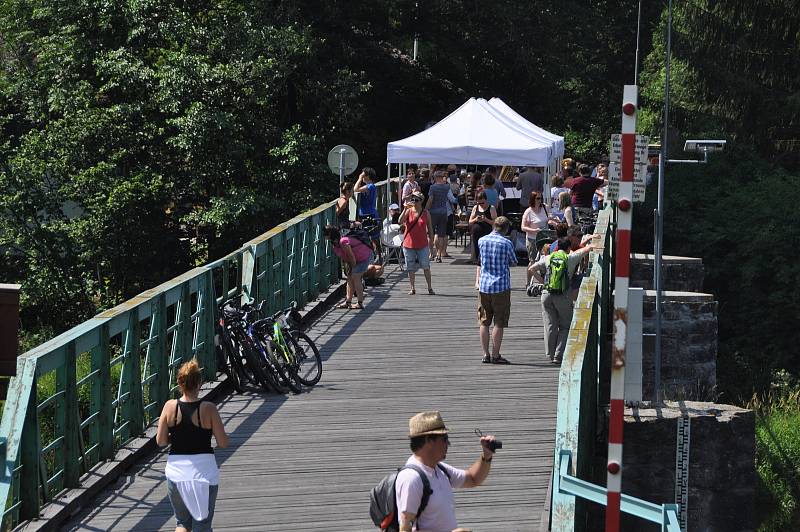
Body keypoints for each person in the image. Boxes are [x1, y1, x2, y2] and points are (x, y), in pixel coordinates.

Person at [157, 358, 229, 532]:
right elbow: (223, 443)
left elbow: (160, 441)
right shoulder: (209, 408)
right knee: (202, 525)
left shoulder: (170, 407)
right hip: (204, 474)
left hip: (177, 473)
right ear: (199, 383)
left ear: (180, 383)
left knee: (182, 523)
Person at [396, 411, 499, 532]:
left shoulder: (440, 469)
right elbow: (404, 530)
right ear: (429, 440)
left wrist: (486, 455)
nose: (449, 444)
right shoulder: (411, 478)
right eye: (444, 439)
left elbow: (473, 479)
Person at [529, 237, 595, 363]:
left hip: (546, 294)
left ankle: (550, 354)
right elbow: (586, 249)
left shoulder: (548, 258)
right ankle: (558, 356)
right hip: (562, 295)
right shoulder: (570, 258)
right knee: (566, 325)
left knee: (550, 325)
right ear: (569, 248)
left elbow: (531, 269)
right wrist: (592, 242)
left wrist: (544, 282)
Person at [477, 216, 517, 364]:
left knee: (484, 321)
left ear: (494, 226)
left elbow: (481, 261)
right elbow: (513, 262)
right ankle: (495, 354)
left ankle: (485, 354)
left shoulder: (482, 241)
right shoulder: (507, 243)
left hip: (484, 285)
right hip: (501, 286)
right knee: (499, 322)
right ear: (506, 229)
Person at [324, 225, 372, 309]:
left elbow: (351, 257)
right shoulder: (335, 244)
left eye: (325, 234)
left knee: (355, 277)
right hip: (355, 258)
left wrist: (352, 268)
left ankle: (360, 303)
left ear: (330, 234)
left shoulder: (343, 241)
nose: (324, 236)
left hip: (364, 256)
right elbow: (344, 257)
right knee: (349, 278)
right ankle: (348, 301)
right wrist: (347, 269)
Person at [400, 192, 435, 295]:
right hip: (409, 243)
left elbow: (430, 228)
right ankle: (412, 288)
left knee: (426, 266)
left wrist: (431, 243)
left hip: (422, 244)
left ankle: (429, 287)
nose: (414, 202)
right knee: (410, 267)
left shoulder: (425, 213)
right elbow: (399, 221)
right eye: (413, 199)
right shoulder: (409, 211)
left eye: (416, 200)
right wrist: (405, 208)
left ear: (421, 201)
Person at [426, 170, 453, 263]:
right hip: (443, 211)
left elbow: (430, 199)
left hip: (433, 212)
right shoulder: (446, 187)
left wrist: (426, 209)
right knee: (441, 235)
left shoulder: (432, 187)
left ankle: (431, 253)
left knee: (430, 234)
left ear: (436, 177)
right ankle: (439, 254)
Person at [355, 167, 382, 255]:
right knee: (373, 237)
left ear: (368, 176)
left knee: (370, 236)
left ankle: (373, 255)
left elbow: (355, 189)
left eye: (363, 174)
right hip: (369, 212)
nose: (362, 176)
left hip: (368, 214)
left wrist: (359, 178)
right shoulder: (371, 186)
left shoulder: (370, 186)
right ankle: (377, 255)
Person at [468, 190, 496, 271]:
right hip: (476, 233)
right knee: (477, 251)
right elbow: (470, 221)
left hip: (487, 232)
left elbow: (495, 222)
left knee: (486, 251)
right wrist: (476, 219)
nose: (481, 205)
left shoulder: (491, 208)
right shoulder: (475, 208)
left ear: (486, 200)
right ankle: (479, 266)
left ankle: (485, 266)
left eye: (482, 203)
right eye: (479, 203)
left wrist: (486, 219)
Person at [521, 191, 551, 263]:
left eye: (541, 198)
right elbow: (523, 227)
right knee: (533, 261)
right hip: (533, 239)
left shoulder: (545, 207)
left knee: (544, 261)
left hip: (544, 239)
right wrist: (534, 230)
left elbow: (548, 219)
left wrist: (553, 221)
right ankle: (530, 274)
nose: (540, 200)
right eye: (538, 198)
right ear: (533, 199)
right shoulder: (528, 211)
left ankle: (542, 274)